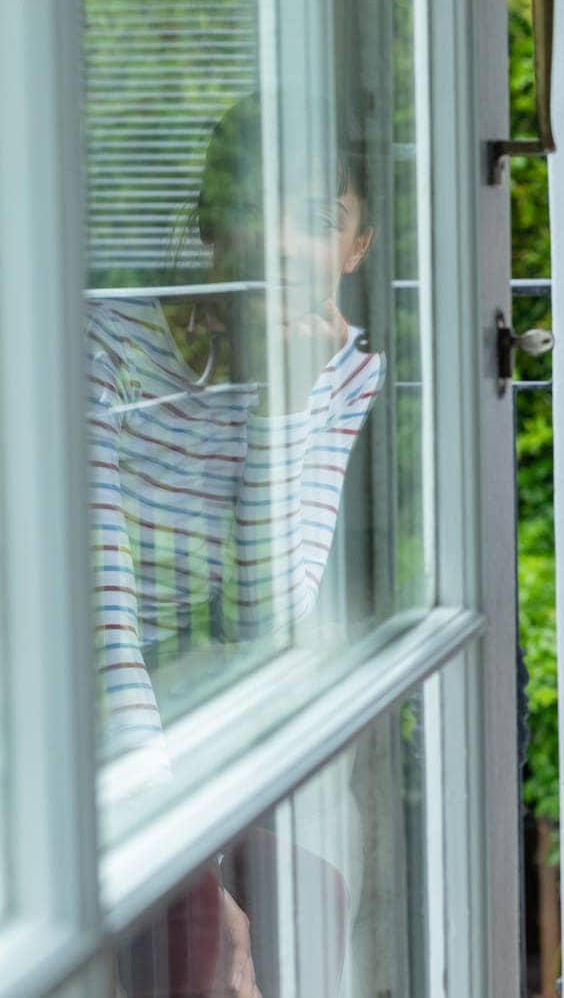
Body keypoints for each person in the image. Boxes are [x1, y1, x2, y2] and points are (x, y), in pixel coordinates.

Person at [91, 91, 382, 997]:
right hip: (86, 732)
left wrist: (288, 402)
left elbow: (264, 623)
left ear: (354, 249)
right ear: (214, 219)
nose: (288, 246)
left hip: (207, 721)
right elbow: (101, 632)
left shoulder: (337, 375)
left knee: (312, 894)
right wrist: (193, 858)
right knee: (195, 930)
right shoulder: (106, 350)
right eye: (259, 204)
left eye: (320, 219)